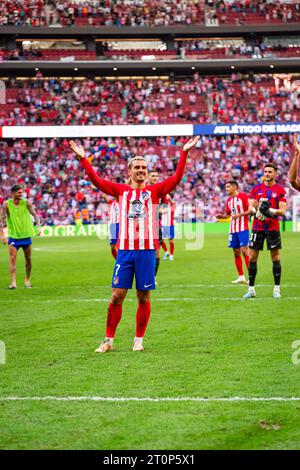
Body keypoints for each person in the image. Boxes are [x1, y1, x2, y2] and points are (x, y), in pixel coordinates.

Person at [69, 136, 199, 352]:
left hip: (147, 251)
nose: (141, 170)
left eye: (144, 168)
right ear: (129, 171)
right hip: (126, 252)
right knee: (116, 296)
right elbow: (98, 182)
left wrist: (184, 152)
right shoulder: (121, 191)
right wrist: (84, 160)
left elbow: (177, 178)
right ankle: (108, 340)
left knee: (143, 296)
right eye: (137, 167)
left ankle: (138, 340)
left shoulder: (155, 191)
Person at [243, 164, 287, 300]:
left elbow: (282, 211)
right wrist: (255, 211)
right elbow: (250, 205)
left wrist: (270, 211)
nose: (267, 174)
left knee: (275, 258)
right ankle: (251, 289)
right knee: (252, 258)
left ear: (275, 174)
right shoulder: (256, 188)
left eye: (270, 172)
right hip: (257, 227)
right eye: (265, 171)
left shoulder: (280, 190)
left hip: (273, 228)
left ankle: (277, 289)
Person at [0, 184, 41, 289]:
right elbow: (1, 219)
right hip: (14, 237)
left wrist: (39, 227)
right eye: (19, 192)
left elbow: (35, 214)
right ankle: (13, 282)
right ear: (13, 193)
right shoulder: (6, 204)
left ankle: (27, 280)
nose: (21, 194)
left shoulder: (26, 202)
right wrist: (2, 235)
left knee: (28, 259)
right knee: (12, 259)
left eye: (22, 192)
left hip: (26, 236)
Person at [216, 180, 250, 284]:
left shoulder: (244, 197)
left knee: (244, 251)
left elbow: (251, 210)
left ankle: (251, 276)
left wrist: (240, 215)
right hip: (233, 229)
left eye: (228, 186)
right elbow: (228, 214)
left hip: (243, 228)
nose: (226, 189)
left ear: (235, 187)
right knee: (236, 252)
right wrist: (222, 217)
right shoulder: (229, 200)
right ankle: (241, 276)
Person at [161, 193, 176, 261]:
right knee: (161, 241)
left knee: (170, 240)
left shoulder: (173, 204)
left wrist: (168, 197)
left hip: (170, 225)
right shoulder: (163, 205)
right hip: (163, 225)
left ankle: (171, 255)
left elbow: (171, 201)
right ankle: (166, 252)